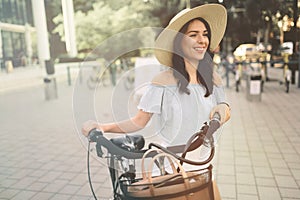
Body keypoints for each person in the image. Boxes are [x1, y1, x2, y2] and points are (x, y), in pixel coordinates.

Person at [82, 3, 230, 145]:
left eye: (205, 34)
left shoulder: (212, 78)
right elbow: (139, 121)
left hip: (205, 162)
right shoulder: (163, 81)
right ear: (178, 42)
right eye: (193, 35)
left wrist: (224, 107)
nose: (202, 40)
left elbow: (223, 107)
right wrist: (103, 127)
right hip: (172, 162)